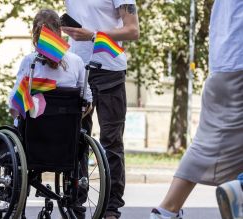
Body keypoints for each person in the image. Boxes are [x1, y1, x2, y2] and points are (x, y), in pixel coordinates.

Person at [149, 1, 243, 219]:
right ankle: (239, 191)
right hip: (238, 65)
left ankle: (166, 210)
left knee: (206, 144)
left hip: (222, 66)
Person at [62, 1, 140, 218]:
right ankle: (75, 201)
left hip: (110, 71)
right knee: (76, 139)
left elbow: (133, 30)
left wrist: (93, 35)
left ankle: (111, 208)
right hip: (77, 69)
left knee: (111, 141)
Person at [9, 9, 93, 119]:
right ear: (60, 31)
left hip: (33, 131)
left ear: (34, 31)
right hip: (67, 130)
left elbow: (13, 106)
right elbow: (88, 101)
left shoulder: (30, 61)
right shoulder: (76, 61)